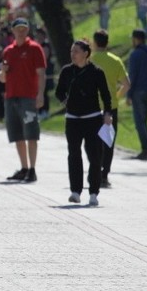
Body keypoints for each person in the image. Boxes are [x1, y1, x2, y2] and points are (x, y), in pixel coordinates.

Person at [55, 40, 113, 206]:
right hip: (73, 119)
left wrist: (108, 113)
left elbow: (106, 95)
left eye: (76, 51)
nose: (73, 54)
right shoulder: (67, 71)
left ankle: (93, 192)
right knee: (73, 154)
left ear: (86, 53)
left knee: (94, 156)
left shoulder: (96, 72)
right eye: (72, 51)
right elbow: (59, 91)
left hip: (93, 118)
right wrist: (65, 100)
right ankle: (75, 191)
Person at [0, 18, 46, 182]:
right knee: (16, 134)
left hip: (28, 97)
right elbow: (2, 78)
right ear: (12, 31)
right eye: (18, 28)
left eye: (24, 29)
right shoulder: (8, 51)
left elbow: (41, 73)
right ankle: (24, 167)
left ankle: (32, 169)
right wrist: (2, 72)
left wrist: (40, 94)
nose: (21, 31)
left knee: (31, 134)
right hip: (11, 97)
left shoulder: (35, 48)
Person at [91, 30, 130, 187]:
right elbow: (126, 84)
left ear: (94, 42)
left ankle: (94, 172)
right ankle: (104, 175)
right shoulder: (116, 60)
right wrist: (117, 96)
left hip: (92, 107)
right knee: (108, 142)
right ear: (107, 43)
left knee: (93, 142)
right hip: (110, 107)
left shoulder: (90, 59)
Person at [126, 29, 147, 160]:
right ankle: (146, 149)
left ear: (136, 39)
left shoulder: (135, 54)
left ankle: (145, 150)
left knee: (139, 121)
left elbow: (132, 76)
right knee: (144, 120)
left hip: (138, 91)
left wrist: (129, 94)